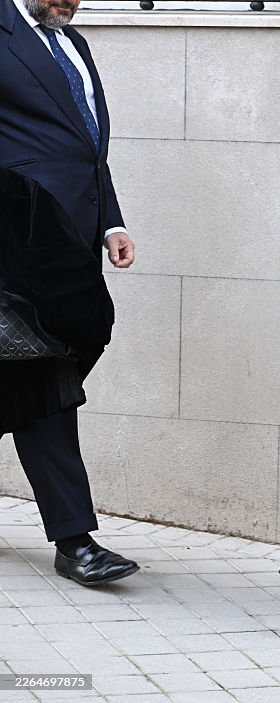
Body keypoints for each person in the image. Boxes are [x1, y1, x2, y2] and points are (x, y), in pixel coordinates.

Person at [0, 0, 137, 585]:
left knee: (32, 379)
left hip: (68, 249)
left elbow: (88, 149)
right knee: (45, 383)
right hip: (14, 245)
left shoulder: (72, 43)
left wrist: (110, 222)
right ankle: (75, 541)